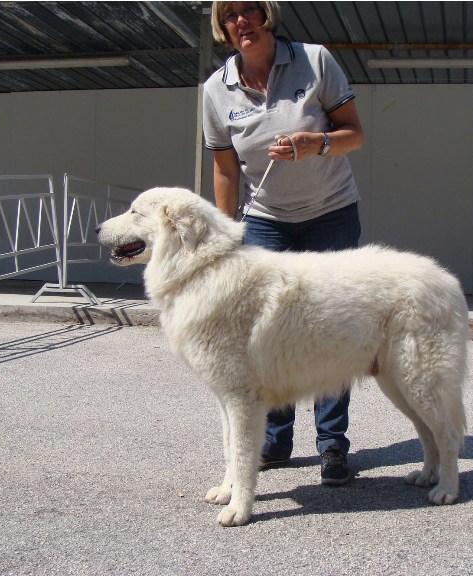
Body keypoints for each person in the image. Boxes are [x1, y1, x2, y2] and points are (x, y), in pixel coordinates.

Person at [202, 1, 364, 486]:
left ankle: (332, 445)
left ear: (267, 14)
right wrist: (226, 237)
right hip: (266, 224)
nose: (241, 21)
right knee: (266, 335)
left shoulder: (315, 60)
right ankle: (274, 440)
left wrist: (320, 144)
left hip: (331, 214)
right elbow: (225, 169)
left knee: (331, 329)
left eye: (249, 10)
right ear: (222, 28)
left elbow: (355, 134)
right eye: (230, 15)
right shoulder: (215, 89)